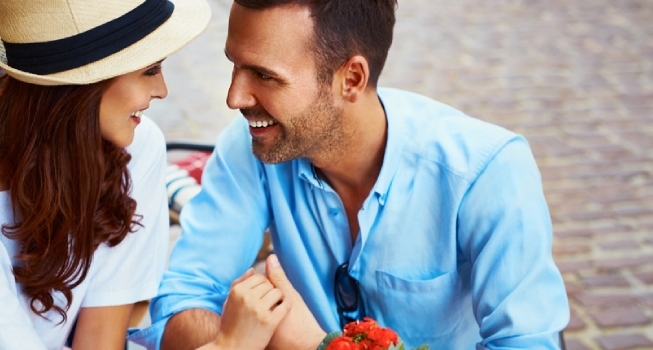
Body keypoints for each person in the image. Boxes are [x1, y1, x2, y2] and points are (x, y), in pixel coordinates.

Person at [129, 0, 571, 349]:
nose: (235, 97)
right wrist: (240, 341)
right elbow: (178, 308)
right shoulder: (249, 149)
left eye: (264, 75)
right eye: (235, 66)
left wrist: (309, 347)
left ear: (352, 78)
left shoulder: (486, 173)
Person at [0, 0, 291, 348]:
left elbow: (100, 339)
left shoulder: (137, 147)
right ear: (83, 89)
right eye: (149, 70)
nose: (162, 90)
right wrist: (229, 345)